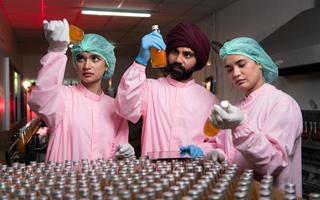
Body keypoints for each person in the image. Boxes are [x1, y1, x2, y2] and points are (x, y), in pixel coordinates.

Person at [28, 19, 135, 162]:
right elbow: (40, 101)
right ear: (75, 63)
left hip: (102, 181)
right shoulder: (63, 97)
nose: (87, 66)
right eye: (81, 59)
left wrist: (122, 155)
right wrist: (56, 51)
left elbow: (118, 150)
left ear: (107, 65)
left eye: (95, 58)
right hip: (65, 181)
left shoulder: (116, 107)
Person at [207, 37, 302, 196]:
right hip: (241, 192)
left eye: (241, 64)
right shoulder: (237, 107)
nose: (236, 73)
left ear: (259, 62)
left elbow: (272, 163)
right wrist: (222, 156)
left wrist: (241, 125)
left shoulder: (282, 104)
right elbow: (238, 155)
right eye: (229, 69)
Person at [115, 23, 219, 157]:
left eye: (187, 55)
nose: (178, 60)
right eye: (175, 52)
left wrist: (203, 150)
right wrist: (140, 62)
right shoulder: (150, 88)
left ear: (197, 60)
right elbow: (124, 108)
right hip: (153, 173)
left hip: (193, 174)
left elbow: (217, 142)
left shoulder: (209, 101)